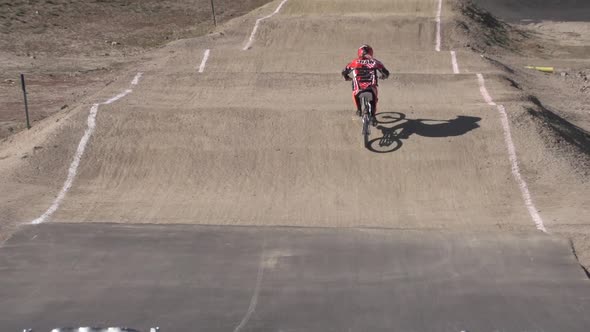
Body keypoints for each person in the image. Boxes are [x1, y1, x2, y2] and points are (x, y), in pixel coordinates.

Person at [341, 44, 390, 124]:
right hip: (370, 90)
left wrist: (347, 78)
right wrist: (383, 77)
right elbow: (386, 73)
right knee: (374, 98)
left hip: (358, 90)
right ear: (371, 53)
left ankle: (359, 110)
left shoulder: (354, 62)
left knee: (354, 92)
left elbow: (344, 72)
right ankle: (373, 116)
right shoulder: (375, 62)